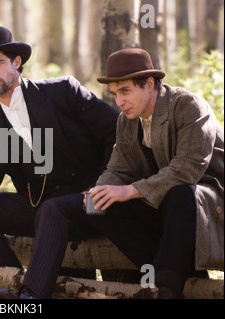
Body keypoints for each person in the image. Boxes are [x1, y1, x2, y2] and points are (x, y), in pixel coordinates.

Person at [0, 26, 119, 298]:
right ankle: (13, 284)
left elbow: (116, 132)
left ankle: (31, 298)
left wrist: (103, 184)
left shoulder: (63, 92)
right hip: (39, 206)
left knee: (54, 209)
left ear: (16, 62)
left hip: (93, 201)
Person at [88, 48, 223, 298]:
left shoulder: (188, 105)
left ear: (149, 84)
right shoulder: (126, 121)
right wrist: (99, 191)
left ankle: (164, 289)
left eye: (125, 91)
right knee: (100, 205)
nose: (119, 102)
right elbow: (118, 168)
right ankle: (181, 276)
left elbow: (188, 169)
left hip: (211, 204)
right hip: (167, 206)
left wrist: (130, 190)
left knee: (179, 194)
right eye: (115, 94)